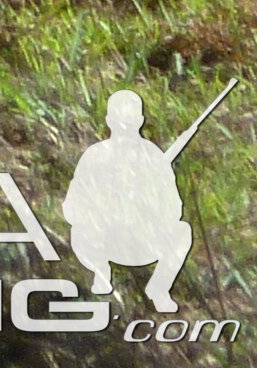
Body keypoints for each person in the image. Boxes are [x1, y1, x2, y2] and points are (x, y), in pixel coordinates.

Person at [64, 90, 194, 313]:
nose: (125, 126)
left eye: (130, 121)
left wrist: (148, 204)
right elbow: (72, 207)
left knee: (182, 231)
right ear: (109, 121)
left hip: (143, 242)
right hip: (104, 242)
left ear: (140, 121)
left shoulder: (154, 157)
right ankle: (100, 272)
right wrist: (103, 213)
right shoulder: (94, 156)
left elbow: (174, 209)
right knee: (79, 231)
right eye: (120, 121)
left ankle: (159, 288)